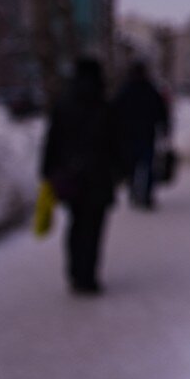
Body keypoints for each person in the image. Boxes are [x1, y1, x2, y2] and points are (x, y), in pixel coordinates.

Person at [41, 59, 120, 295]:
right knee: (94, 228)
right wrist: (119, 172)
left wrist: (47, 171)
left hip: (70, 177)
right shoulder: (105, 105)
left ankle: (75, 273)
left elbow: (52, 142)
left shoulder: (64, 105)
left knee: (75, 225)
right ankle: (89, 277)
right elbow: (116, 143)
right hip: (99, 177)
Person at [115, 61, 170, 209]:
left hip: (128, 136)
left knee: (132, 165)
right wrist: (165, 128)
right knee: (147, 165)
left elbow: (114, 113)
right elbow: (161, 111)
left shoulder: (124, 91)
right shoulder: (150, 90)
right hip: (146, 134)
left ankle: (134, 190)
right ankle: (146, 194)